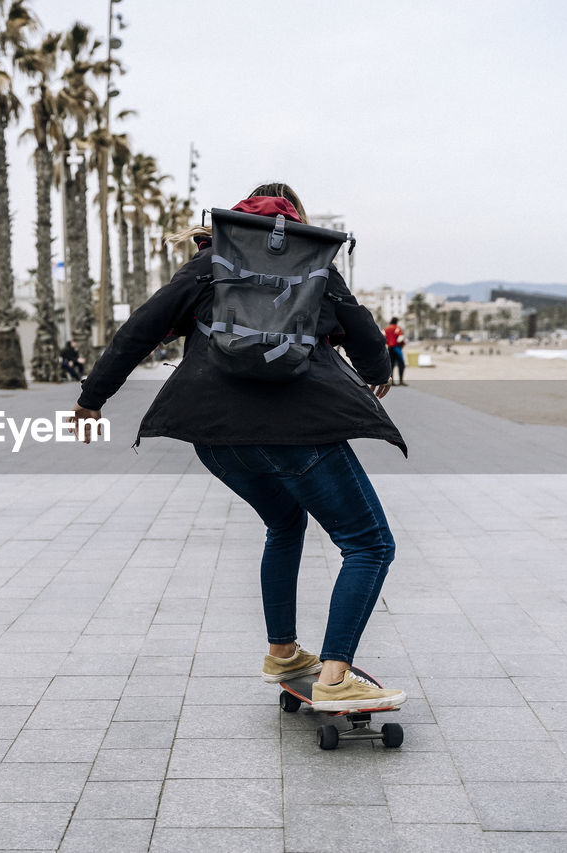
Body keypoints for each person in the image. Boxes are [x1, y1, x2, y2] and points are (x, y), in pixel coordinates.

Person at [70, 182, 408, 712]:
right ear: (296, 217)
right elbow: (364, 333)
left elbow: (141, 328)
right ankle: (336, 677)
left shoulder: (210, 263)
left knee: (285, 523)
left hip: (216, 437)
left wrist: (93, 399)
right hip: (298, 433)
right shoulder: (312, 263)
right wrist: (376, 371)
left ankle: (284, 654)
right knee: (369, 544)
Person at [384, 317, 407, 386]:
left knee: (391, 365)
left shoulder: (386, 328)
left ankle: (392, 381)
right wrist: (401, 344)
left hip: (389, 348)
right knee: (401, 364)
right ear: (396, 322)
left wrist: (387, 342)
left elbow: (382, 336)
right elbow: (400, 338)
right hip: (397, 348)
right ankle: (401, 381)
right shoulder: (397, 328)